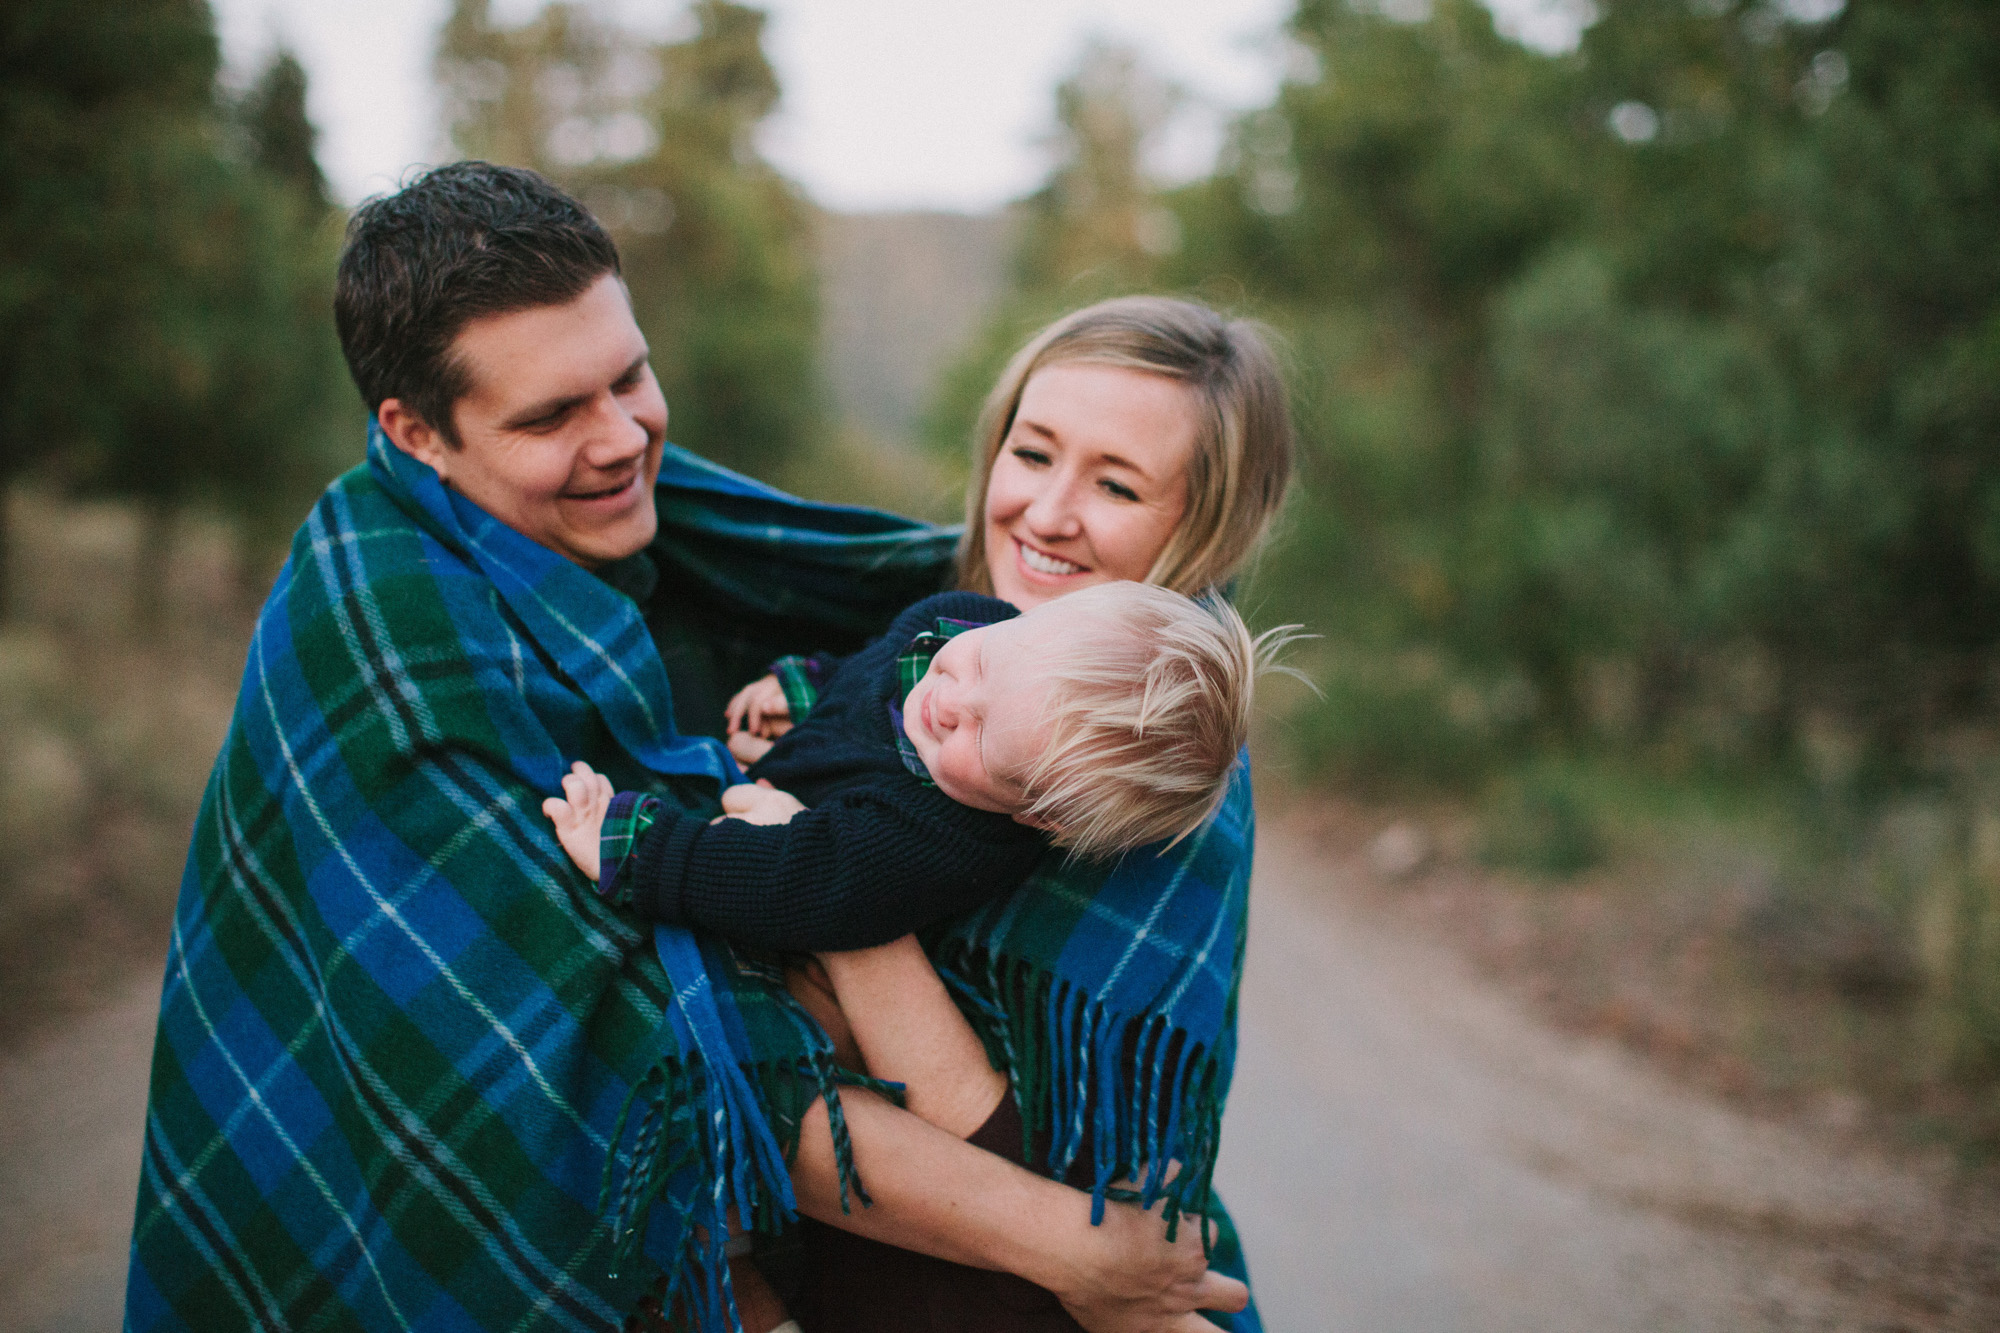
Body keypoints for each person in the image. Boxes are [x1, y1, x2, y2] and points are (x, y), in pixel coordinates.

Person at [122, 162, 1254, 1333]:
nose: (622, 439)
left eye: (629, 376)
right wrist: (1079, 1254)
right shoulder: (385, 644)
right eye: (554, 414)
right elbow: (632, 1066)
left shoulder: (1111, 695)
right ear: (416, 433)